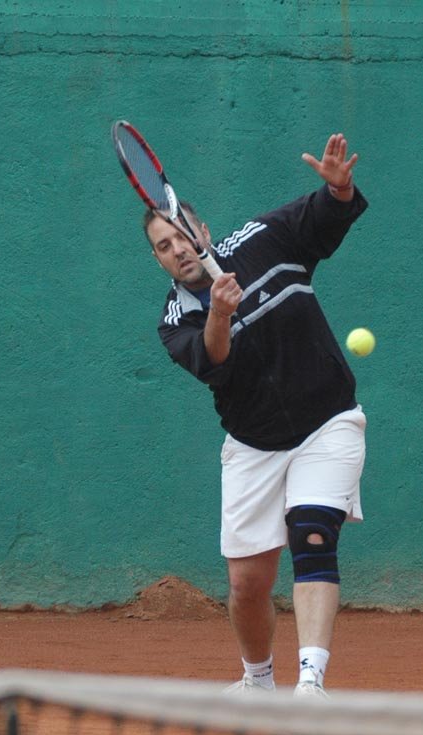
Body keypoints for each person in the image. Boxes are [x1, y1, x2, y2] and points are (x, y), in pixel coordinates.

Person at [145, 134, 369, 698]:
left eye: (182, 233)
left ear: (202, 229)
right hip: (253, 443)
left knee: (312, 536)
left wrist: (339, 190)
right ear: (158, 260)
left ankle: (311, 685)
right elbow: (215, 361)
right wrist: (219, 313)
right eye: (164, 246)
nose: (178, 248)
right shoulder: (175, 321)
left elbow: (322, 218)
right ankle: (258, 680)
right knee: (247, 584)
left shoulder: (262, 238)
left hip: (328, 419)